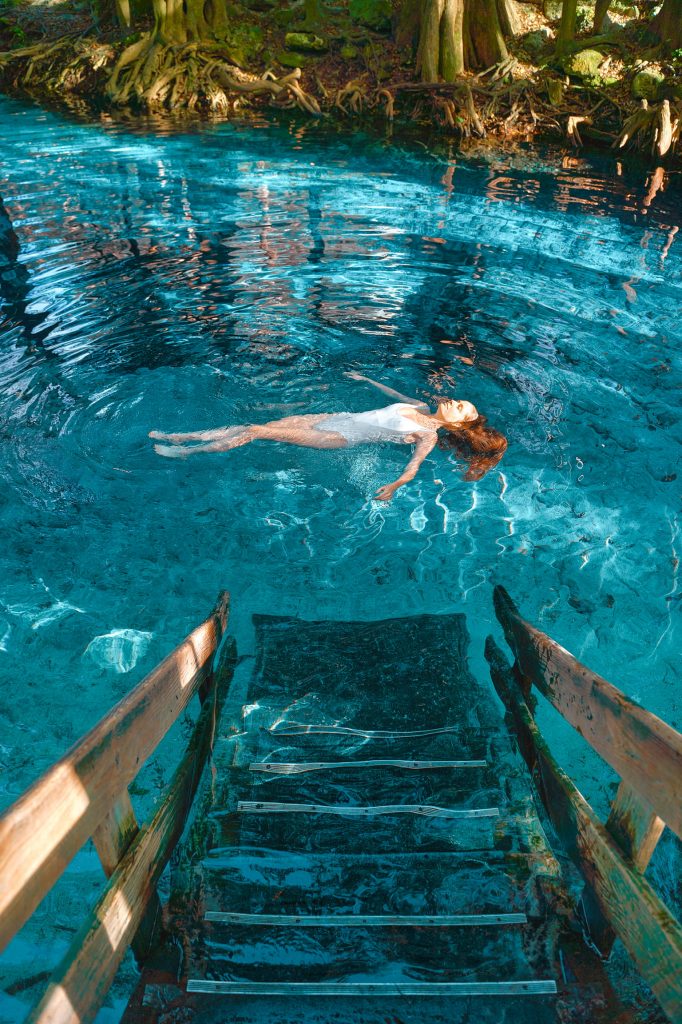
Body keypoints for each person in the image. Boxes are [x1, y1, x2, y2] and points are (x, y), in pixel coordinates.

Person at [149, 373, 507, 501]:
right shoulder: (419, 406)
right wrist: (366, 381)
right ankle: (181, 437)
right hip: (336, 418)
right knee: (258, 425)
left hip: (338, 437)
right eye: (461, 402)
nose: (457, 403)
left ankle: (187, 453)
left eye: (462, 409)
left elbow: (414, 468)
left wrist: (395, 486)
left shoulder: (425, 435)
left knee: (257, 431)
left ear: (458, 426)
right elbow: (393, 395)